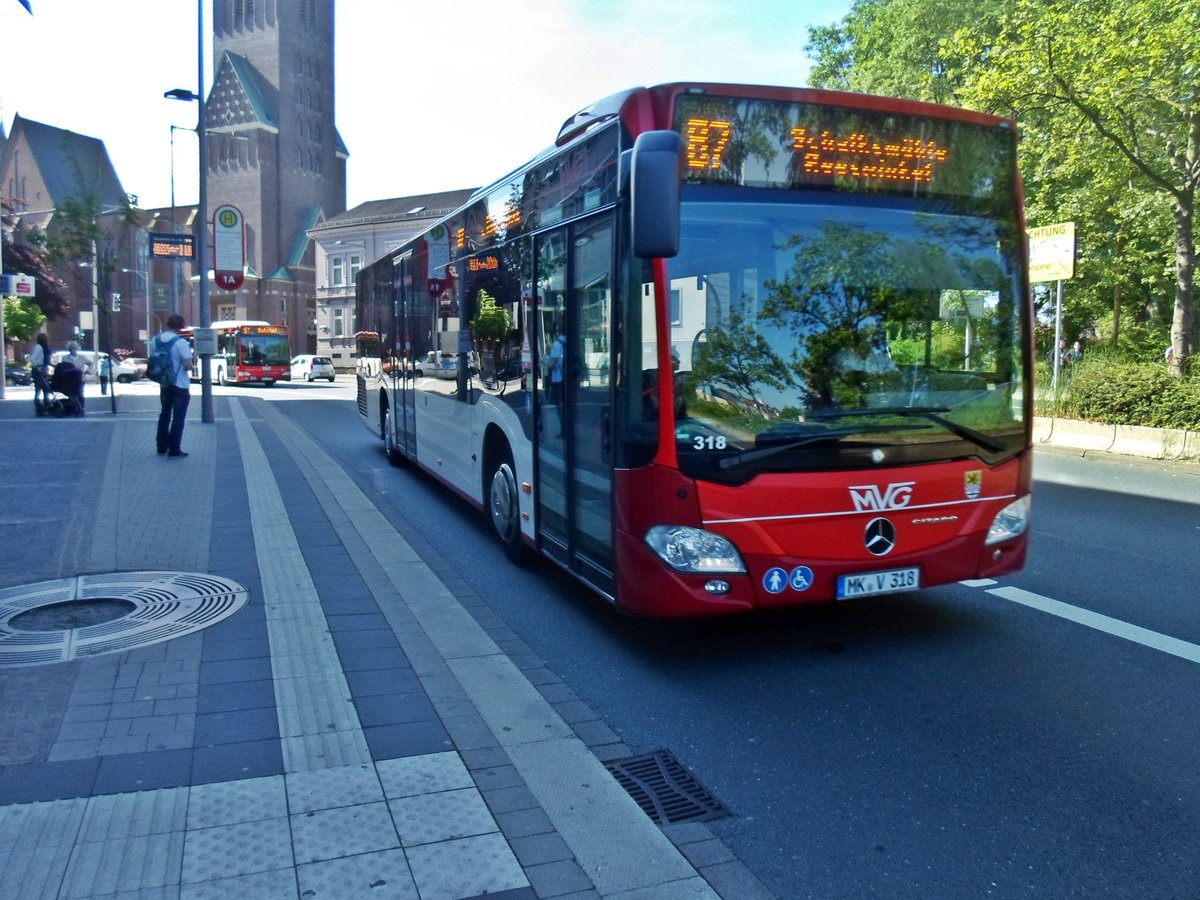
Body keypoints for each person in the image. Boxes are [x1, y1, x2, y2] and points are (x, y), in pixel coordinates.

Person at [155, 314, 192, 458]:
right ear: (180, 327)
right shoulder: (180, 342)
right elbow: (188, 365)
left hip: (164, 383)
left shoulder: (156, 340)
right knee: (178, 418)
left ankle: (161, 446)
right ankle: (174, 449)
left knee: (164, 414)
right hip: (180, 385)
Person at [61, 342, 90, 414]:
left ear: (77, 349)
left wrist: (88, 371)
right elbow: (62, 367)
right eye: (72, 348)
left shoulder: (82, 357)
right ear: (69, 349)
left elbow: (91, 363)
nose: (73, 349)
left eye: (75, 348)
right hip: (69, 379)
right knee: (71, 394)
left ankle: (81, 408)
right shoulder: (65, 358)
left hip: (80, 378)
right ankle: (74, 408)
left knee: (80, 393)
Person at [30, 333, 52, 416]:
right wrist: (38, 368)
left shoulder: (44, 348)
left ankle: (45, 408)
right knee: (39, 389)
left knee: (44, 389)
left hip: (43, 370)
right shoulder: (39, 347)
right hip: (38, 370)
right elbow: (32, 359)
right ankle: (40, 408)